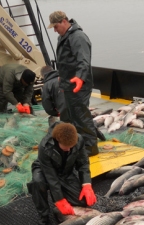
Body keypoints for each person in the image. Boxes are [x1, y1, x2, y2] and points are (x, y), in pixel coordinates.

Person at [27, 122, 97, 225]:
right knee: (37, 182)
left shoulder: (79, 139)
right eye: (66, 147)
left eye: (71, 147)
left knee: (82, 201)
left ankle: (57, 206)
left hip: (65, 171)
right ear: (57, 140)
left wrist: (86, 184)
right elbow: (51, 177)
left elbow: (83, 163)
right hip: (45, 170)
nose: (69, 149)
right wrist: (59, 199)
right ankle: (44, 214)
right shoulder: (45, 146)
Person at [48, 11, 99, 156]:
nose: (54, 30)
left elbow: (83, 60)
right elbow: (65, 61)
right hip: (68, 84)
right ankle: (74, 142)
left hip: (79, 85)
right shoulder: (63, 37)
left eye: (56, 26)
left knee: (81, 116)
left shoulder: (78, 37)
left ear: (64, 21)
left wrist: (80, 78)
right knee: (69, 116)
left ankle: (90, 149)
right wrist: (61, 76)